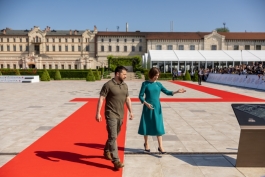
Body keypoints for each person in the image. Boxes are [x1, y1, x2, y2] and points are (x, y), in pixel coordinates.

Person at [137, 67, 186, 154]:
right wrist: (146, 103)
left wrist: (177, 92)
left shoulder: (159, 84)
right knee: (146, 125)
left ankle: (160, 146)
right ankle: (146, 144)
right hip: (147, 107)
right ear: (151, 74)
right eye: (156, 75)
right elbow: (140, 96)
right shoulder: (145, 84)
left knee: (158, 126)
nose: (157, 77)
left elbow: (167, 92)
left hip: (157, 107)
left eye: (158, 75)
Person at [95, 66, 133, 170]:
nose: (125, 76)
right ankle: (116, 160)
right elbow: (102, 98)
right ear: (117, 74)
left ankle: (106, 150)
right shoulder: (108, 85)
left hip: (121, 115)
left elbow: (127, 99)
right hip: (110, 114)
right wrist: (98, 113)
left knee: (114, 136)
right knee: (113, 137)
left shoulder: (125, 85)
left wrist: (131, 111)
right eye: (124, 74)